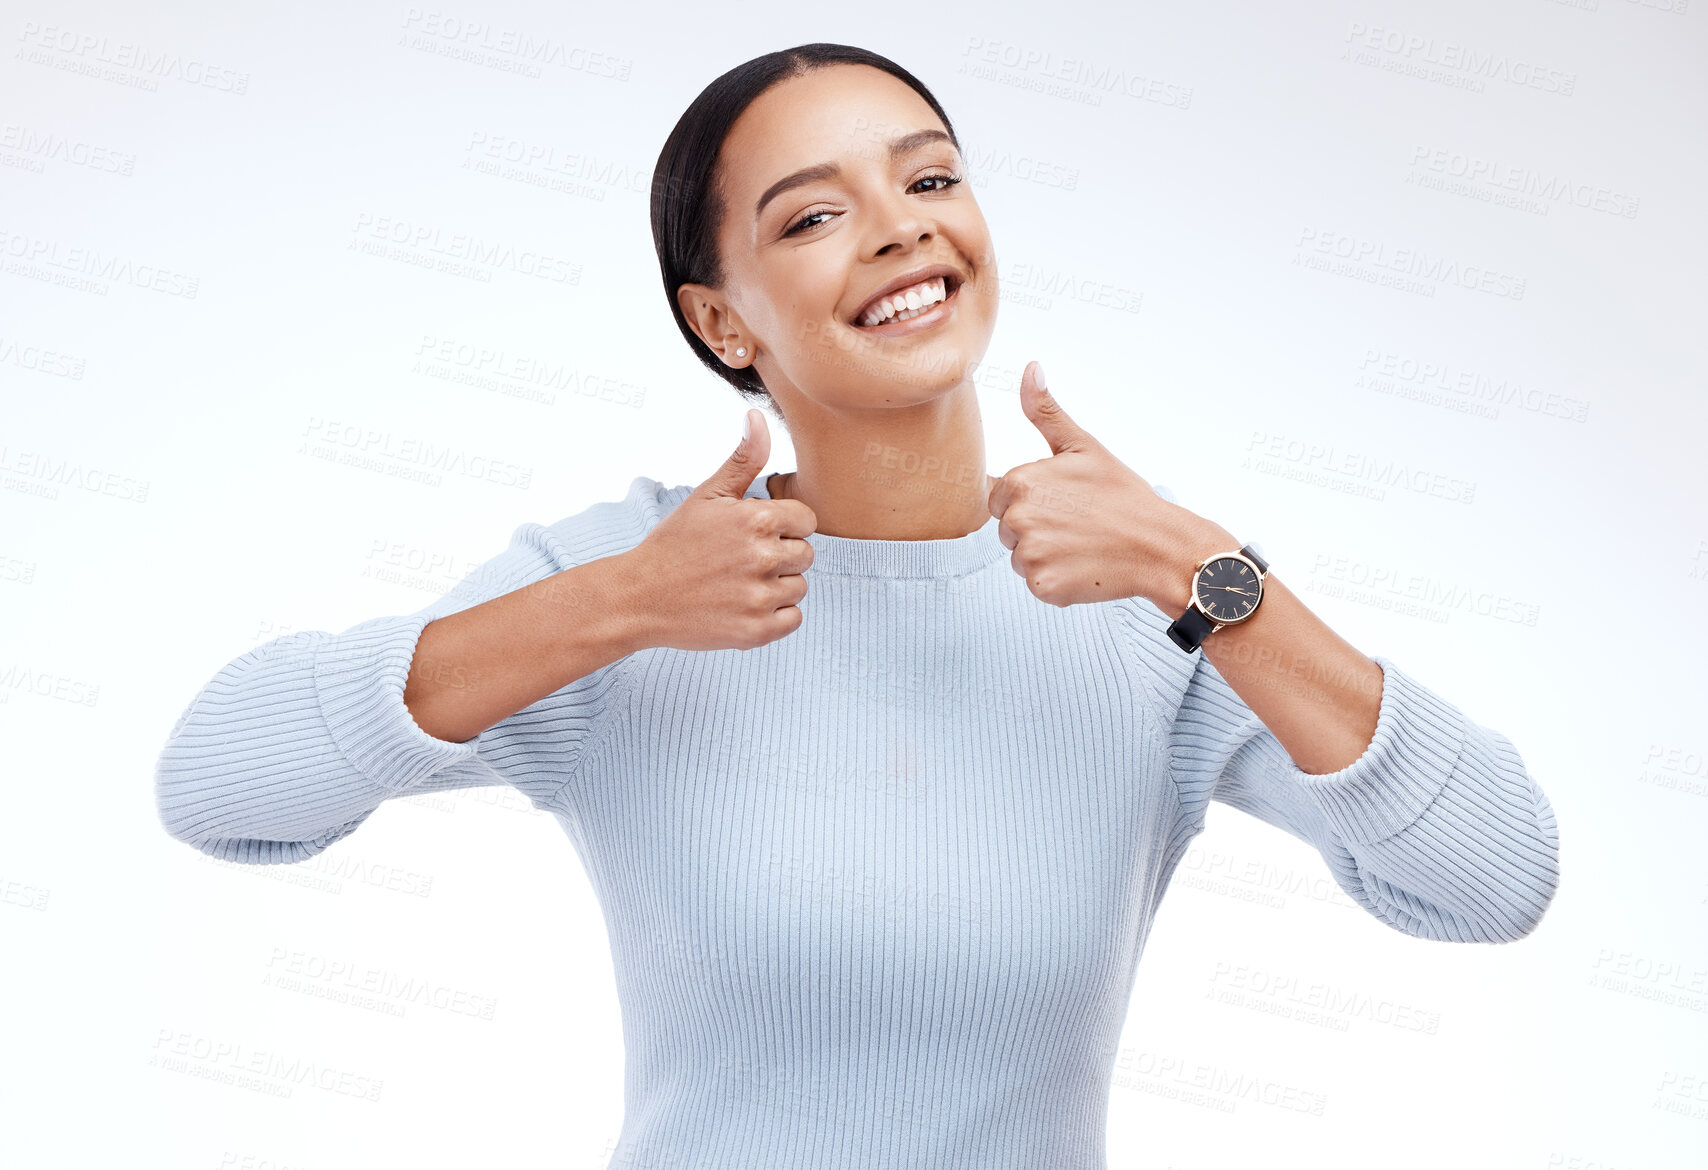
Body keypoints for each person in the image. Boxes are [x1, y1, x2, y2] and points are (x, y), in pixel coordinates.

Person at [155, 42, 1561, 1169]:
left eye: (931, 180)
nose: (900, 232)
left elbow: (1498, 878)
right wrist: (615, 607)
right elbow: (217, 782)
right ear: (723, 322)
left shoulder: (1147, 596)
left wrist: (1215, 582)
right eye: (816, 215)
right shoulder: (639, 583)